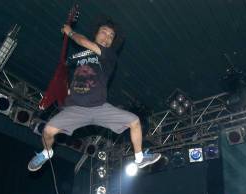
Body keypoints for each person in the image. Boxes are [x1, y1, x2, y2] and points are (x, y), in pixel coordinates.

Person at [28, 18, 160, 172]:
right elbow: (70, 75)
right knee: (47, 131)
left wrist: (70, 32)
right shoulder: (79, 57)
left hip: (100, 108)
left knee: (135, 121)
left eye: (111, 36)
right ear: (96, 34)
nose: (107, 38)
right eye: (104, 33)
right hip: (75, 109)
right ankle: (46, 153)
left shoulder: (109, 56)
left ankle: (140, 158)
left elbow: (83, 42)